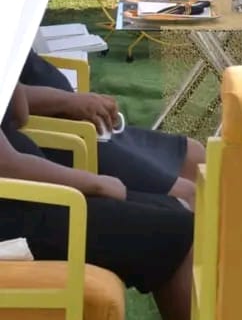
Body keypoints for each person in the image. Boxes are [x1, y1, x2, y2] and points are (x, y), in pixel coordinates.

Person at [0, 81, 193, 320]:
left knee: (173, 210)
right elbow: (6, 165)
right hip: (19, 215)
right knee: (180, 233)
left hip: (33, 199)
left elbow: (19, 113)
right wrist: (95, 183)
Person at [18, 50, 205, 209]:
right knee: (188, 197)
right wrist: (68, 102)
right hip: (64, 140)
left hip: (81, 124)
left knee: (194, 153)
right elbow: (13, 102)